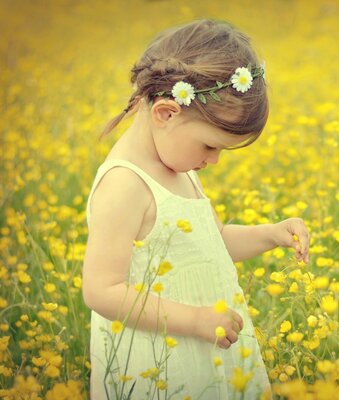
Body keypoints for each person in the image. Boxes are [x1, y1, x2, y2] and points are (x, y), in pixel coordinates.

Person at [82, 19, 310, 400]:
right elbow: (101, 290)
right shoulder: (125, 185)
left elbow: (211, 243)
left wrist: (272, 234)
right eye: (210, 146)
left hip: (205, 344)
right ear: (167, 114)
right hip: (159, 361)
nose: (215, 160)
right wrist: (194, 321)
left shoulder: (176, 166)